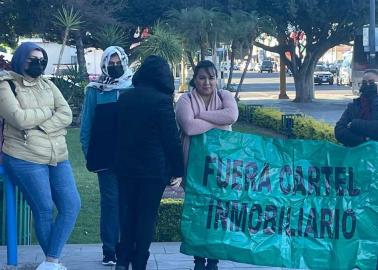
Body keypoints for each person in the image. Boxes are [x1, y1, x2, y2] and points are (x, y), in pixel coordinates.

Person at [0, 42, 81, 270]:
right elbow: (18, 119)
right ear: (21, 59)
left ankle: (49, 262)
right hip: (25, 156)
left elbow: (66, 113)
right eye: (32, 59)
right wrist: (47, 112)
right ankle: (53, 262)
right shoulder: (6, 85)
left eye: (41, 59)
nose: (38, 63)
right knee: (44, 207)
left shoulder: (47, 83)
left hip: (58, 155)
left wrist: (40, 127)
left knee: (72, 205)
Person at [114, 55, 184, 270]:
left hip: (125, 168)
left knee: (127, 214)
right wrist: (178, 170)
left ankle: (122, 260)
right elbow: (171, 138)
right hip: (153, 170)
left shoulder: (124, 98)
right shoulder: (162, 101)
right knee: (146, 216)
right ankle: (139, 262)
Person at [175, 60, 239, 270]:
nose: (207, 82)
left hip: (220, 167)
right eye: (202, 77)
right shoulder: (185, 100)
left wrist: (201, 116)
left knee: (217, 213)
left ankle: (213, 260)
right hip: (193, 166)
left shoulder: (225, 96)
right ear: (195, 79)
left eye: (211, 77)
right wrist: (218, 122)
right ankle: (198, 260)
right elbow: (189, 127)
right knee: (197, 213)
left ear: (216, 79)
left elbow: (231, 115)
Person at [80, 46, 132, 266]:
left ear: (124, 60)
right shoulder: (95, 90)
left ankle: (127, 246)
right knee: (110, 203)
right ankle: (109, 250)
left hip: (131, 157)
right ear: (103, 64)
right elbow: (86, 126)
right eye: (109, 63)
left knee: (129, 202)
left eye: (117, 61)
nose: (114, 66)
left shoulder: (134, 87)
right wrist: (90, 155)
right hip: (105, 158)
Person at [335, 69, 378, 146]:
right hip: (355, 153)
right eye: (364, 83)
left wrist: (354, 124)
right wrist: (363, 141)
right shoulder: (353, 106)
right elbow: (339, 130)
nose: (367, 85)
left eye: (371, 82)